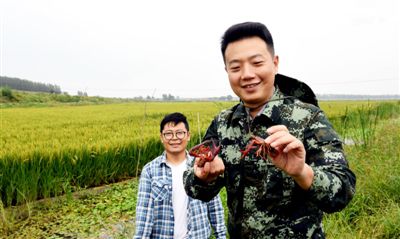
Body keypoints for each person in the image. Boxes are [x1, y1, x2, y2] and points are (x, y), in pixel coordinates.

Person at [183, 22, 356, 238]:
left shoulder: (309, 118)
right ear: (227, 71)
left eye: (256, 63)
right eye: (235, 67)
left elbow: (343, 190)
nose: (246, 74)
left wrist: (302, 172)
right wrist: (202, 177)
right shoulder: (222, 124)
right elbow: (193, 186)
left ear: (275, 63)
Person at [134, 112, 226, 239]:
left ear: (188, 136)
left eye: (180, 133)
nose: (174, 138)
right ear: (161, 137)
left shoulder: (201, 165)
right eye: (168, 134)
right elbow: (144, 214)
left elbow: (214, 206)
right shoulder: (150, 171)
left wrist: (221, 236)